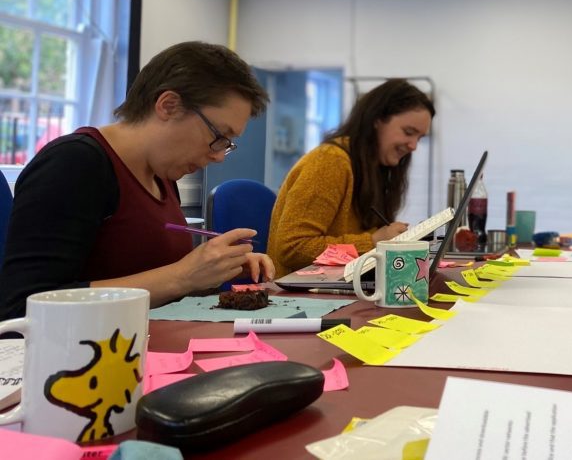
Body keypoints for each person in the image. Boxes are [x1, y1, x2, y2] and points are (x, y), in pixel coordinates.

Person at [0, 41, 274, 320]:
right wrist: (182, 276)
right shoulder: (75, 164)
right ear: (169, 106)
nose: (219, 156)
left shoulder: (162, 175)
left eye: (227, 144)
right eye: (219, 137)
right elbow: (23, 306)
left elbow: (153, 275)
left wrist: (216, 267)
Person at [267, 79, 434, 275]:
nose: (413, 146)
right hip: (300, 296)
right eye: (408, 132)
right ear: (377, 120)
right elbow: (293, 247)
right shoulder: (329, 161)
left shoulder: (374, 168)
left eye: (419, 138)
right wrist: (373, 242)